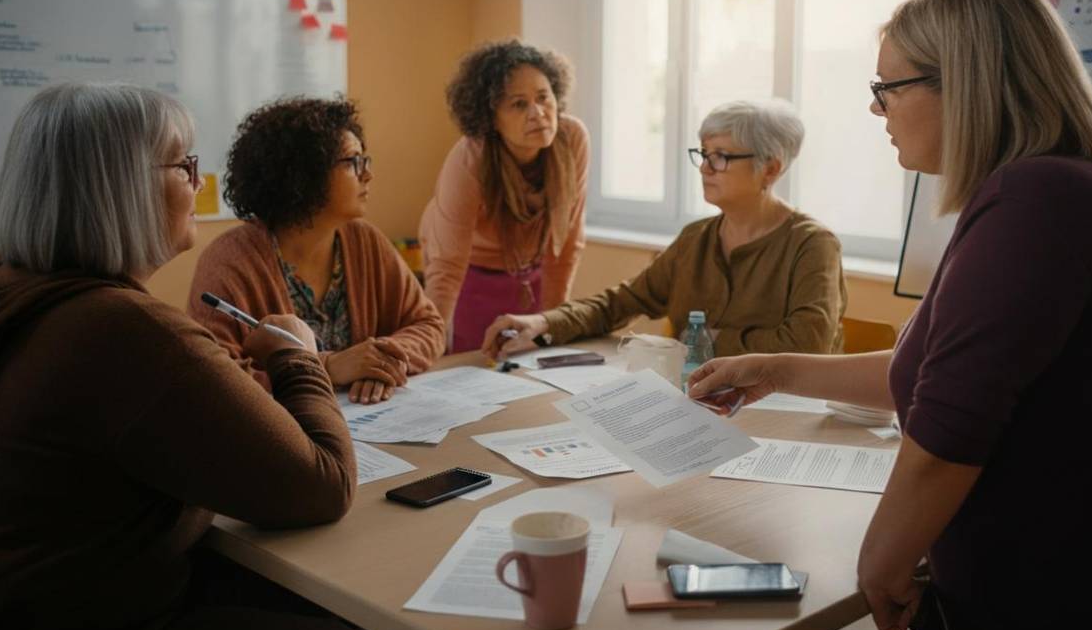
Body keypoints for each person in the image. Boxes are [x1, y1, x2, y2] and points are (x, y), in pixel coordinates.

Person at [688, 0, 1092, 630]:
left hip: (1052, 617)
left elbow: (951, 428)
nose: (875, 109)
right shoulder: (1049, 192)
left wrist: (882, 559)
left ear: (964, 83)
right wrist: (776, 370)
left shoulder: (1038, 205)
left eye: (888, 88)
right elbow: (936, 372)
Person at [0, 83, 369, 630]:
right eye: (185, 166)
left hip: (6, 615)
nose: (199, 184)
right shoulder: (118, 329)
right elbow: (324, 486)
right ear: (122, 188)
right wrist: (298, 356)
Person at [482, 100, 845, 359]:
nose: (705, 168)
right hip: (702, 401)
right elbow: (619, 303)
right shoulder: (695, 238)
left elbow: (806, 344)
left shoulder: (813, 244)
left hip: (782, 412)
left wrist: (704, 341)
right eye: (703, 153)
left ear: (771, 169)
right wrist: (543, 322)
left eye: (721, 156)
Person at [189, 97, 445, 404]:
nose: (367, 174)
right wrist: (329, 367)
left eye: (365, 161)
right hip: (283, 431)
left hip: (367, 424)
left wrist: (378, 361)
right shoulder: (229, 262)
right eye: (352, 162)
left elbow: (429, 326)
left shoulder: (366, 241)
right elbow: (212, 380)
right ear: (304, 174)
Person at [419, 39, 589, 352]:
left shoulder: (573, 139)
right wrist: (430, 350)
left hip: (530, 273)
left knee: (530, 359)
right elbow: (446, 266)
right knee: (470, 364)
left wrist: (553, 326)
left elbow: (565, 245)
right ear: (491, 118)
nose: (538, 113)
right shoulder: (470, 158)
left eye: (543, 97)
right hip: (470, 274)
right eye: (519, 104)